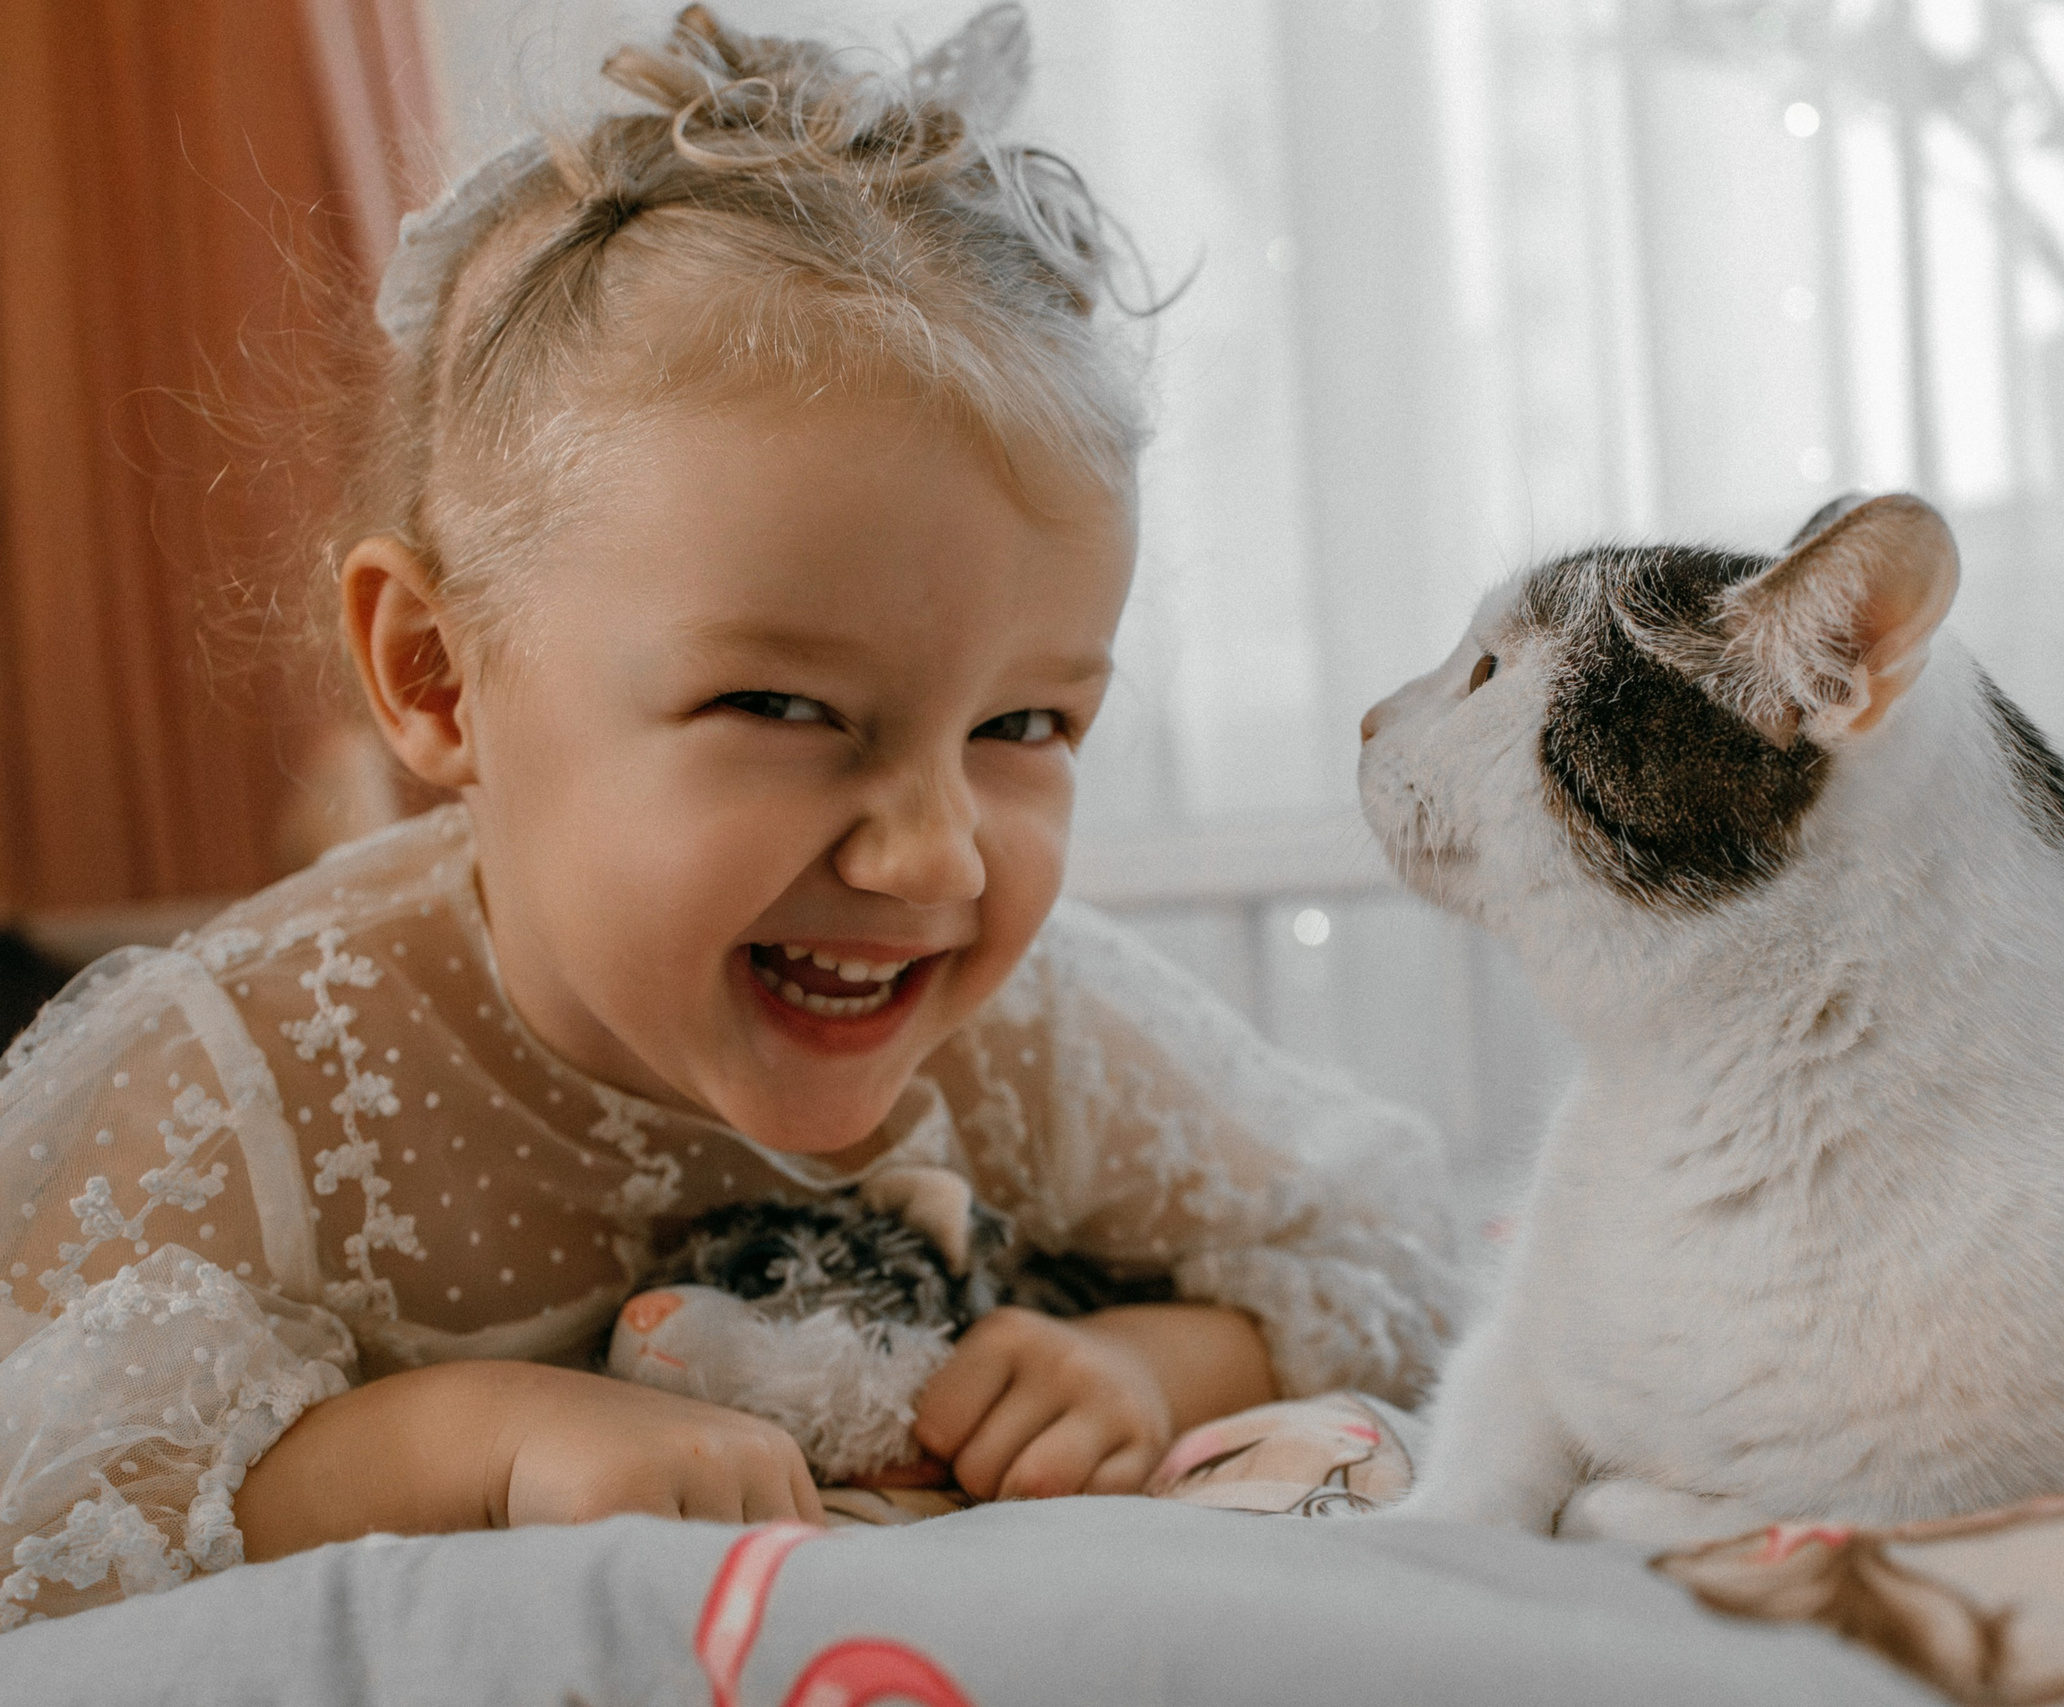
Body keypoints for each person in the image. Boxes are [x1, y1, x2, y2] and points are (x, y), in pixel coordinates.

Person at [0, 5, 1462, 1628]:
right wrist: (458, 1443)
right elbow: (57, 1521)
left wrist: (1142, 1361)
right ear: (436, 677)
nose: (934, 857)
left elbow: (1380, 1266)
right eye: (784, 709)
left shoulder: (1025, 1038)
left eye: (1025, 725)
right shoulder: (249, 1085)